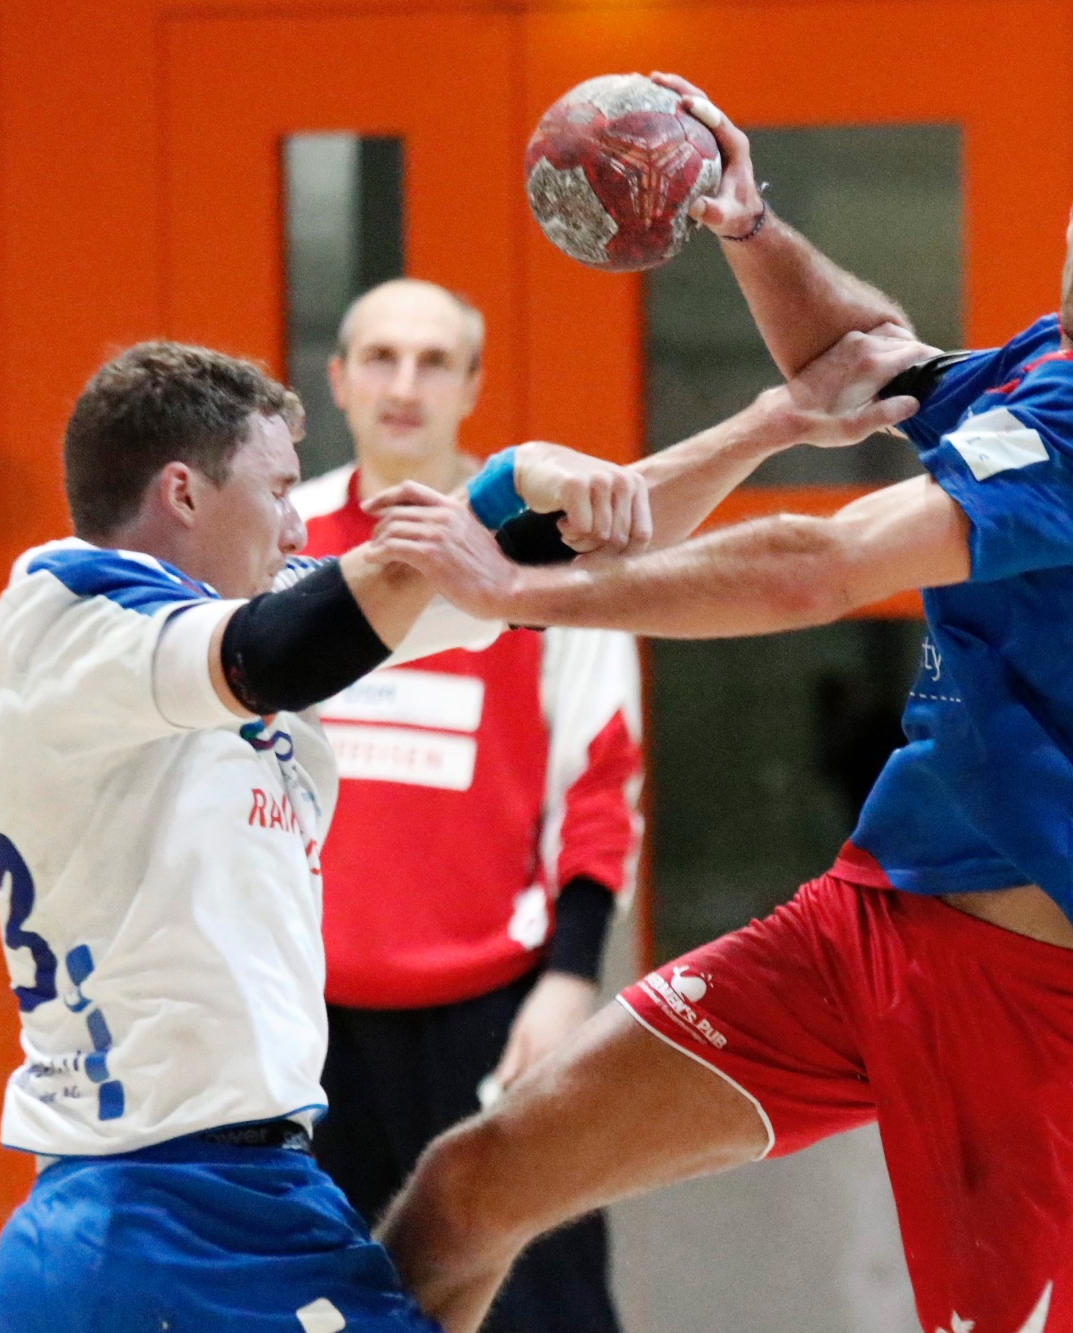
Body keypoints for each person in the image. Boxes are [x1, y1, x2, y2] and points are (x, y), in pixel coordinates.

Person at [368, 78, 1073, 1333]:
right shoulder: (1057, 363)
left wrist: (520, 590)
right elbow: (864, 366)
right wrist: (748, 225)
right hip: (867, 932)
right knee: (471, 1186)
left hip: (1049, 1013)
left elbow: (818, 568)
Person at [0, 332, 919, 1331]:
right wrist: (508, 479)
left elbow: (563, 560)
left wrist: (768, 426)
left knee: (467, 1210)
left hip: (214, 1199)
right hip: (162, 1220)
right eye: (279, 487)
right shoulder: (69, 609)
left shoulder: (229, 622)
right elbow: (287, 648)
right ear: (183, 493)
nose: (296, 520)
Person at [293, 278, 642, 1333]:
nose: (405, 385)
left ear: (472, 385)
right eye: (382, 358)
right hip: (300, 1026)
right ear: (340, 381)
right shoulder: (279, 543)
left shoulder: (541, 565)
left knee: (539, 1306)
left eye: (433, 360)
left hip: (493, 1018)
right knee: (322, 1306)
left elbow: (600, 771)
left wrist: (571, 974)